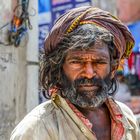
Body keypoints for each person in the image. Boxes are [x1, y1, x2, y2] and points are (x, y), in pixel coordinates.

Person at [10, 6, 140, 140]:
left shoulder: (127, 119)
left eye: (99, 62)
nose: (89, 73)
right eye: (77, 62)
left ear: (113, 69)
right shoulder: (37, 129)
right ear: (58, 69)